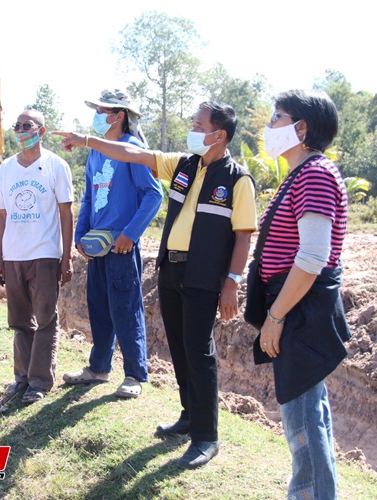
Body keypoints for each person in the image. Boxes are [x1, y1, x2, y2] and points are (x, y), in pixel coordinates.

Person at [55, 101, 257, 468]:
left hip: (203, 275)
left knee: (199, 350)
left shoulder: (237, 180)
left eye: (198, 125)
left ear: (219, 135)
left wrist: (232, 283)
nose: (192, 130)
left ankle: (206, 437)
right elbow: (132, 151)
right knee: (179, 347)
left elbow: (243, 236)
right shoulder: (183, 165)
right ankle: (187, 416)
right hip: (171, 270)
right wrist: (87, 141)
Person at [255, 90, 350, 499]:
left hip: (299, 309)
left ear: (302, 127)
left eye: (277, 118)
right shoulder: (300, 174)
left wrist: (276, 316)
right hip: (296, 305)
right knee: (310, 413)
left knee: (303, 420)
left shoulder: (314, 174)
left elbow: (312, 257)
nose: (269, 126)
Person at [60, 89, 162, 399]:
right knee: (100, 306)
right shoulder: (96, 152)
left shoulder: (133, 149)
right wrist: (81, 234)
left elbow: (154, 195)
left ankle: (134, 375)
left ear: (118, 116)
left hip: (121, 246)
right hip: (97, 245)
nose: (95, 116)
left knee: (125, 309)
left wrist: (129, 234)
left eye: (100, 110)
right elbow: (90, 196)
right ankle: (99, 369)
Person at [0, 109, 74, 405]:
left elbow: (66, 212)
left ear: (41, 131)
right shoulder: (6, 169)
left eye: (27, 125)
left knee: (44, 318)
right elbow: (0, 215)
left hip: (45, 255)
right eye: (17, 126)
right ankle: (22, 378)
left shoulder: (56, 166)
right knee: (19, 320)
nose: (21, 130)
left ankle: (40, 380)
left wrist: (66, 256)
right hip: (13, 255)